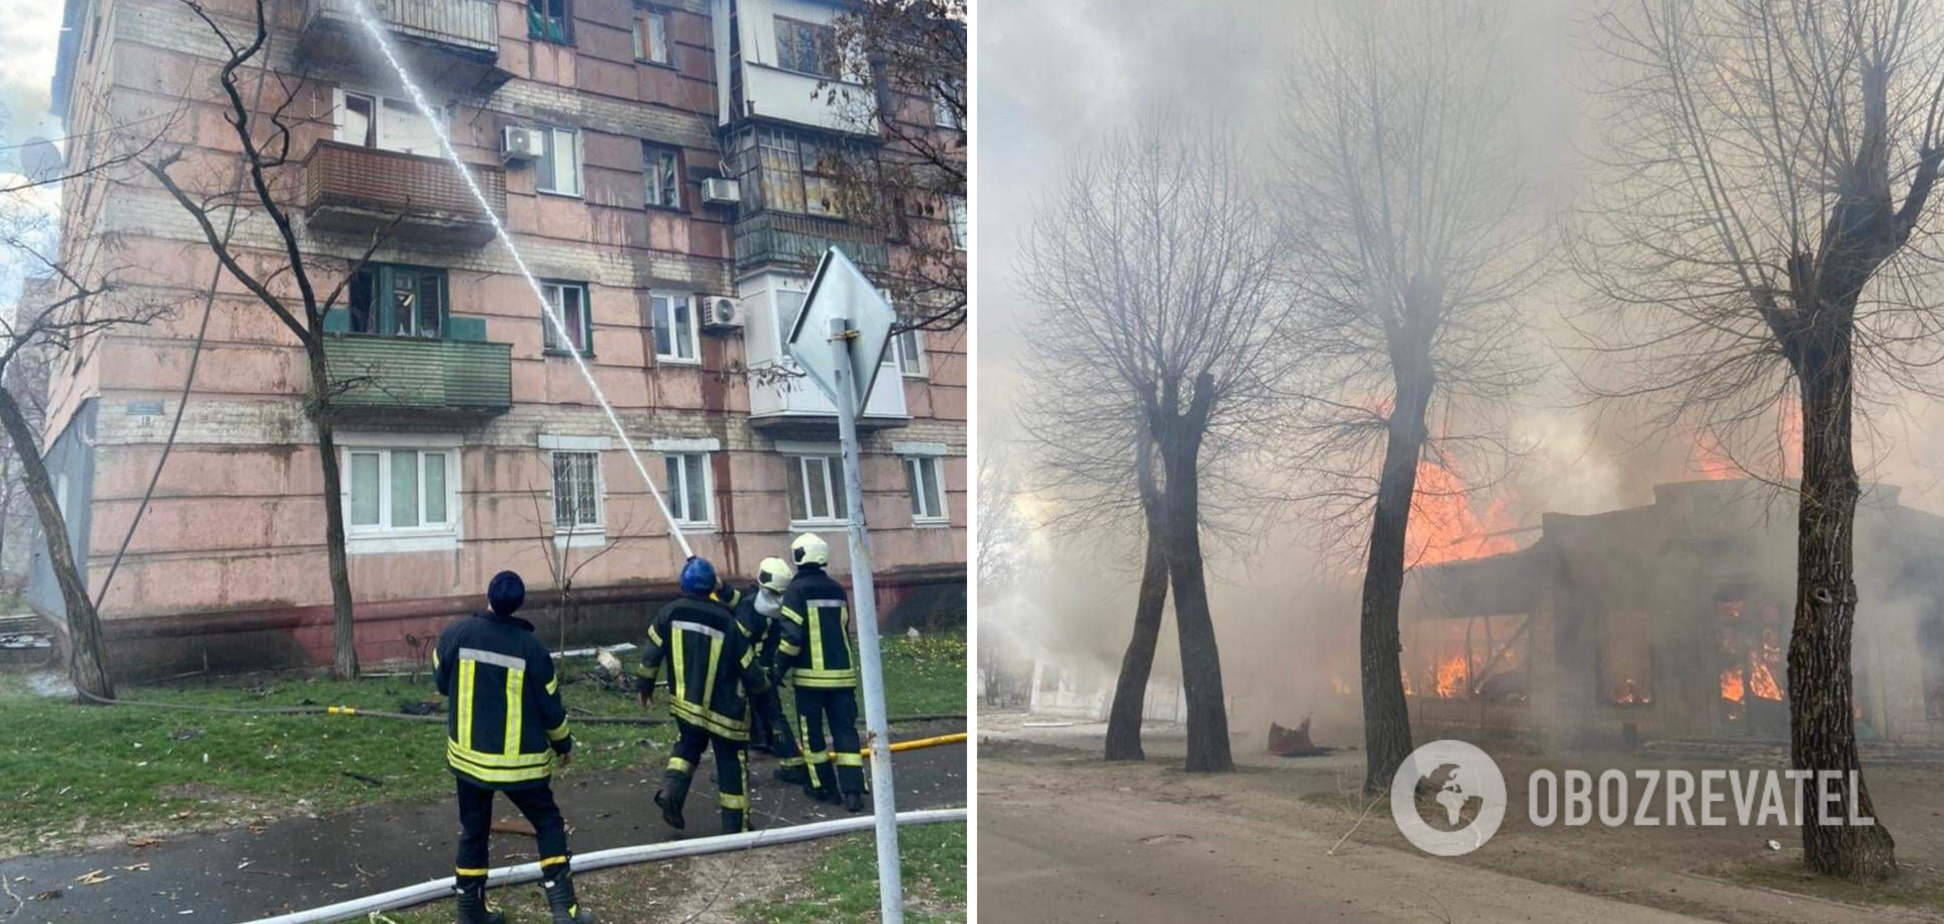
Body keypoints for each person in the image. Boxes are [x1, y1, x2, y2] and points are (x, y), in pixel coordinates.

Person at [434, 571, 595, 924]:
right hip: (520, 764)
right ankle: (563, 909)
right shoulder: (532, 649)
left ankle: (470, 913)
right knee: (548, 822)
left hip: (469, 762)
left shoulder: (458, 634)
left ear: (489, 597)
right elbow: (550, 706)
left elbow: (441, 678)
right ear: (519, 604)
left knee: (473, 830)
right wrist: (563, 743)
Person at [635, 556, 780, 833]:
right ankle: (735, 826)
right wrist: (763, 690)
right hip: (725, 711)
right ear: (711, 585)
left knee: (687, 748)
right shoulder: (726, 620)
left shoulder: (669, 613)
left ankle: (671, 793)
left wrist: (644, 686)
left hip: (686, 705)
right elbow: (748, 665)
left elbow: (651, 653)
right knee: (730, 762)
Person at [772, 533, 866, 812]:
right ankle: (853, 791)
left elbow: (790, 639)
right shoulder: (837, 590)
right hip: (843, 677)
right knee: (846, 732)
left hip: (810, 680)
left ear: (799, 556)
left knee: (812, 734)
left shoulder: (795, 591)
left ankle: (822, 786)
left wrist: (777, 669)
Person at [735, 557, 803, 777]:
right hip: (769, 670)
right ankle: (794, 762)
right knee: (775, 716)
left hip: (747, 672)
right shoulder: (783, 607)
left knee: (738, 719)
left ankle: (735, 770)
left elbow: (738, 640)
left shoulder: (752, 606)